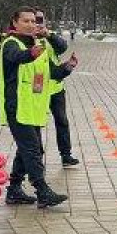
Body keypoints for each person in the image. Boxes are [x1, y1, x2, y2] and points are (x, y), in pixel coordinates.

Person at [0, 7, 72, 208]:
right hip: (17, 107)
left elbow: (51, 72)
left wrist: (67, 68)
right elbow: (17, 57)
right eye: (26, 21)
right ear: (15, 23)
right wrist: (31, 53)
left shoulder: (39, 44)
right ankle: (42, 190)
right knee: (32, 149)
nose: (31, 24)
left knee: (30, 148)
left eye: (33, 21)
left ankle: (14, 190)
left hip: (33, 108)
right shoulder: (11, 43)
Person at [34, 9, 78, 167]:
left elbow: (62, 47)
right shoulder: (27, 40)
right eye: (34, 20)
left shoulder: (48, 37)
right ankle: (37, 157)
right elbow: (48, 70)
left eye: (40, 20)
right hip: (37, 89)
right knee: (36, 124)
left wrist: (48, 35)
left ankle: (66, 155)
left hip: (56, 89)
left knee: (62, 121)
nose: (37, 23)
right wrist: (66, 68)